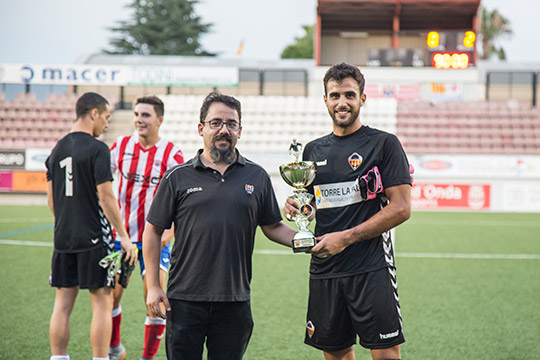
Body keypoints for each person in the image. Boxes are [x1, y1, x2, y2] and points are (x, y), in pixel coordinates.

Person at [143, 91, 297, 360]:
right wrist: (154, 286)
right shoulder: (177, 176)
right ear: (201, 128)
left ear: (240, 130)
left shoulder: (257, 176)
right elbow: (153, 231)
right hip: (184, 299)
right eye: (216, 123)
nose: (224, 129)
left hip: (234, 300)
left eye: (231, 124)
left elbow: (273, 226)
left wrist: (306, 241)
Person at [283, 63, 412, 360]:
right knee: (336, 354)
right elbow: (314, 204)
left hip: (371, 267)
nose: (342, 102)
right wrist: (299, 208)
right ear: (325, 100)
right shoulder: (312, 151)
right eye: (335, 95)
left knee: (386, 354)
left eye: (350, 95)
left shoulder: (384, 144)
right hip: (325, 267)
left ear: (362, 99)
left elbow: (402, 208)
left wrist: (346, 237)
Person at [46, 92, 137, 360]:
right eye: (106, 117)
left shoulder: (57, 149)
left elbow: (52, 200)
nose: (107, 124)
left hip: (63, 238)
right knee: (102, 303)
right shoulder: (98, 149)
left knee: (62, 304)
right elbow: (107, 197)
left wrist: (67, 225)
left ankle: (58, 357)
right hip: (94, 239)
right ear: (93, 113)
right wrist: (123, 236)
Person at [108, 95, 184, 360]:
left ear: (159, 120)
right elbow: (103, 186)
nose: (139, 120)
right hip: (122, 238)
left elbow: (182, 199)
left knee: (154, 301)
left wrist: (171, 232)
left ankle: (147, 357)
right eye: (137, 114)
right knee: (111, 298)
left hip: (155, 241)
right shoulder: (119, 147)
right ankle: (115, 348)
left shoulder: (171, 154)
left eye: (146, 115)